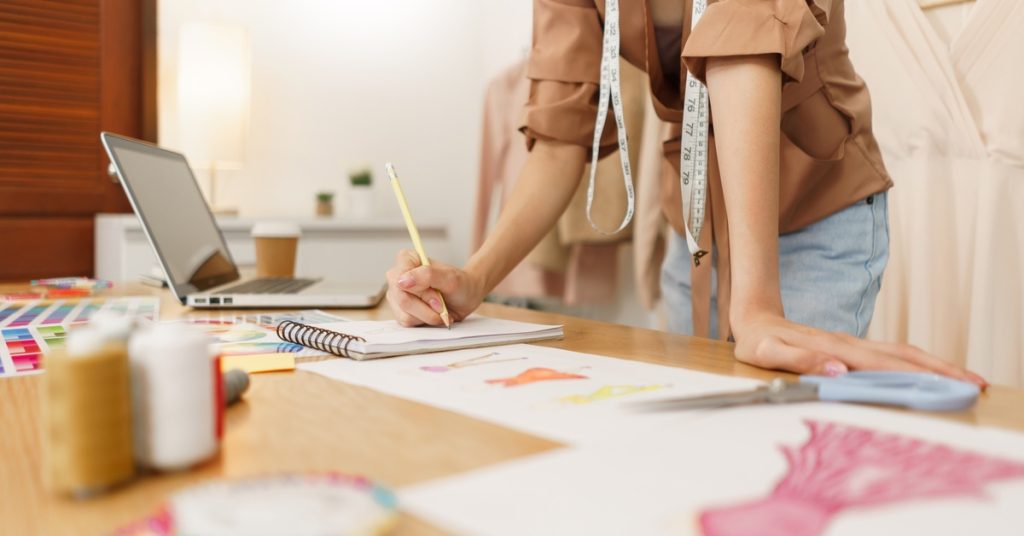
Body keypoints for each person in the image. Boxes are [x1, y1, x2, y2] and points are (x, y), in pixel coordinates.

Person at [384, 0, 987, 388]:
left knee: (780, 438)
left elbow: (742, 48)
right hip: (695, 227)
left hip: (815, 210)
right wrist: (474, 279)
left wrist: (753, 306)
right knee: (704, 436)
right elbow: (562, 137)